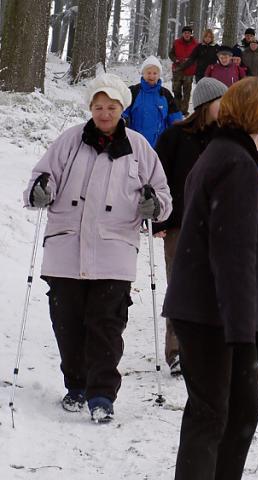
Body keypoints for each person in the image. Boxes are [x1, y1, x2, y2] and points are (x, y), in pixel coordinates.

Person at [23, 73, 172, 422]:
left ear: (123, 108)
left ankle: (102, 394)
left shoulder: (139, 147)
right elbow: (40, 179)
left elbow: (163, 194)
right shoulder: (69, 142)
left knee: (106, 325)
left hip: (114, 251)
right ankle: (75, 386)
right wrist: (41, 190)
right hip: (65, 250)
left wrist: (155, 205)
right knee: (68, 323)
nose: (105, 113)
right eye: (99, 107)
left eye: (112, 107)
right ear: (90, 108)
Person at [162, 77, 258, 480]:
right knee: (213, 414)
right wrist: (247, 333)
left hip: (210, 312)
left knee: (237, 410)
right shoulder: (234, 164)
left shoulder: (224, 153)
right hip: (210, 316)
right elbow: (232, 255)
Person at [153, 77, 228, 376]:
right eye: (223, 102)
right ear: (206, 105)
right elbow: (158, 180)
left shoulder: (228, 138)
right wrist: (161, 220)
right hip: (181, 224)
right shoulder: (174, 137)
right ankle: (178, 351)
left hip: (219, 226)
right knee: (181, 288)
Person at [122, 56, 183, 148]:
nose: (151, 76)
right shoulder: (134, 91)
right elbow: (122, 112)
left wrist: (178, 134)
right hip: (135, 143)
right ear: (143, 73)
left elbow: (174, 117)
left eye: (155, 73)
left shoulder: (165, 94)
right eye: (148, 73)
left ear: (159, 75)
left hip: (159, 145)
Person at [169, 26, 199, 115]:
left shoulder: (196, 44)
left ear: (191, 34)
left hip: (189, 71)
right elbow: (171, 54)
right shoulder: (176, 42)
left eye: (188, 33)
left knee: (187, 92)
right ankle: (177, 110)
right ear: (183, 34)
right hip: (177, 70)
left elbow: (197, 57)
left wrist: (192, 63)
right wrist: (175, 60)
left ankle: (184, 111)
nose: (187, 34)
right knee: (176, 91)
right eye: (185, 33)